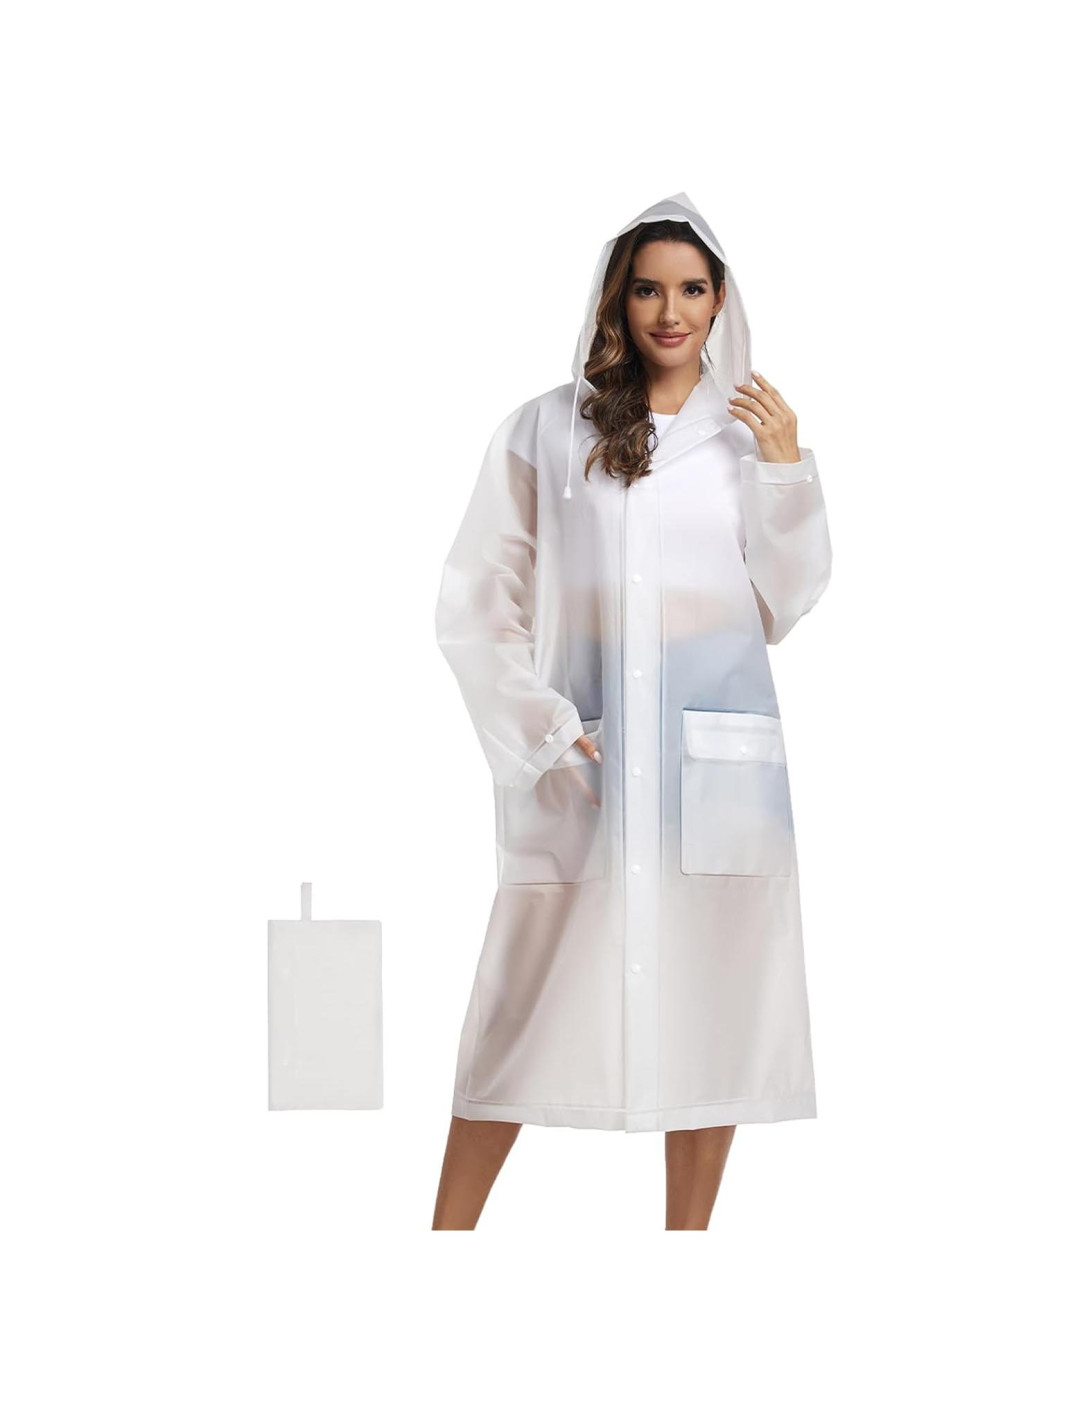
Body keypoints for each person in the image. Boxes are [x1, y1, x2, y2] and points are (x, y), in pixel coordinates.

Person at [432, 192, 832, 1230]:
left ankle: (683, 1252)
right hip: (588, 764)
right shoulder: (546, 430)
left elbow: (785, 603)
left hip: (717, 778)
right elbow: (477, 601)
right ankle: (443, 1238)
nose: (670, 311)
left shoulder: (748, 436)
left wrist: (785, 470)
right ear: (618, 299)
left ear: (720, 300)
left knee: (713, 1010)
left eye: (691, 290)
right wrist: (542, 726)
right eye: (648, 289)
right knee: (521, 1009)